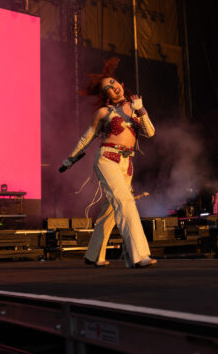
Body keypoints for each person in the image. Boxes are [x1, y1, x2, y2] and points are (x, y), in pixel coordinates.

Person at [62, 57, 156, 269]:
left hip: (127, 163)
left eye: (114, 83)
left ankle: (94, 254)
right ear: (106, 96)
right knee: (125, 202)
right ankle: (139, 255)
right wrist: (70, 159)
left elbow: (150, 132)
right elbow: (87, 137)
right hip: (107, 159)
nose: (113, 88)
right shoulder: (103, 112)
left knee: (111, 211)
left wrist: (141, 110)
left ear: (121, 84)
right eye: (108, 88)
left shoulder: (135, 107)